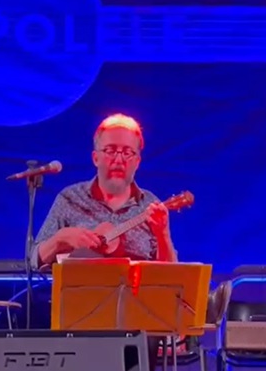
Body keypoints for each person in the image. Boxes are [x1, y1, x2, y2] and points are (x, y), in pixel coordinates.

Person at [34, 114, 177, 266]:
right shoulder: (70, 198)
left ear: (137, 162)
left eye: (127, 153)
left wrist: (163, 234)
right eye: (110, 150)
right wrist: (61, 239)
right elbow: (34, 259)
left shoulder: (150, 205)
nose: (119, 160)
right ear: (95, 158)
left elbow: (171, 273)